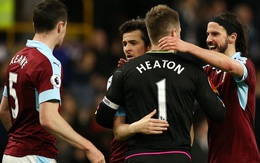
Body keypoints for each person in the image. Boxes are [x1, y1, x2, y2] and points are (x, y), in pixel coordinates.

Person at [96, 4, 226, 163]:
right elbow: (218, 113)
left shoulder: (125, 71)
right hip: (178, 155)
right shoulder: (193, 71)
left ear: (149, 34)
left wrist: (133, 125)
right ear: (174, 33)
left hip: (139, 156)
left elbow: (102, 117)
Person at [0, 1, 105, 163]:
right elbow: (48, 118)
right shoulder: (48, 62)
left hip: (11, 155)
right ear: (60, 26)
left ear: (34, 24)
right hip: (35, 156)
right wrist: (88, 146)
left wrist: (18, 141)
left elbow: (4, 110)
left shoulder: (16, 58)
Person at [158, 11, 260, 163]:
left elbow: (230, 66)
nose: (209, 39)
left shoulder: (245, 64)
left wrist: (187, 47)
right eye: (207, 34)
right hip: (215, 156)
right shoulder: (206, 71)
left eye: (215, 34)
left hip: (243, 156)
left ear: (232, 37)